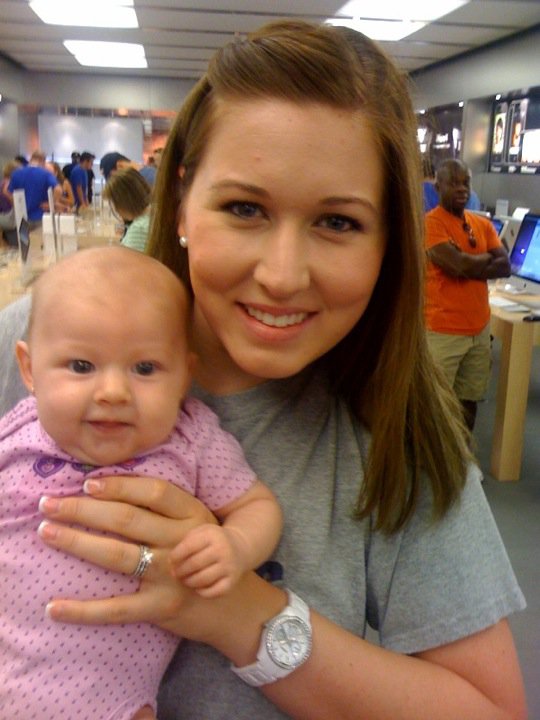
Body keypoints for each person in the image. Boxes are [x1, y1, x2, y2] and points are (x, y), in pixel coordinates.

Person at [0, 20, 528, 720]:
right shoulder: (41, 337)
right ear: (181, 203)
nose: (282, 276)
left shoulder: (396, 433)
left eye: (337, 222)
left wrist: (242, 615)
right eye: (244, 208)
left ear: (387, 242)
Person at [0, 246, 282, 720]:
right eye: (81, 366)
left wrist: (234, 545)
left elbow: (257, 505)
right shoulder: (18, 430)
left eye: (145, 369)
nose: (113, 392)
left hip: (115, 702)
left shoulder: (189, 439)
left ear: (184, 376)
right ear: (29, 370)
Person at [424, 158, 511, 432]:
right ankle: (432, 456)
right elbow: (457, 266)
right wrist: (484, 259)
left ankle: (462, 455)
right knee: (434, 405)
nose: (462, 189)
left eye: (465, 183)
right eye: (454, 183)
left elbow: (505, 266)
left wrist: (468, 261)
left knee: (468, 401)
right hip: (442, 332)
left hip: (479, 331)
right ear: (438, 186)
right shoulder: (430, 224)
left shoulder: (482, 224)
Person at [102, 167, 152, 252]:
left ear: (124, 202)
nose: (116, 210)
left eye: (115, 203)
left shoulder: (138, 229)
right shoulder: (151, 215)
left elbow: (130, 260)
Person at [6, 149, 61, 226]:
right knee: (38, 234)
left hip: (22, 218)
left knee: (24, 234)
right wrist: (50, 204)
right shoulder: (46, 174)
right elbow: (58, 190)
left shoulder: (16, 173)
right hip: (40, 216)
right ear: (43, 161)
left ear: (31, 159)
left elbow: (7, 192)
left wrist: (17, 204)